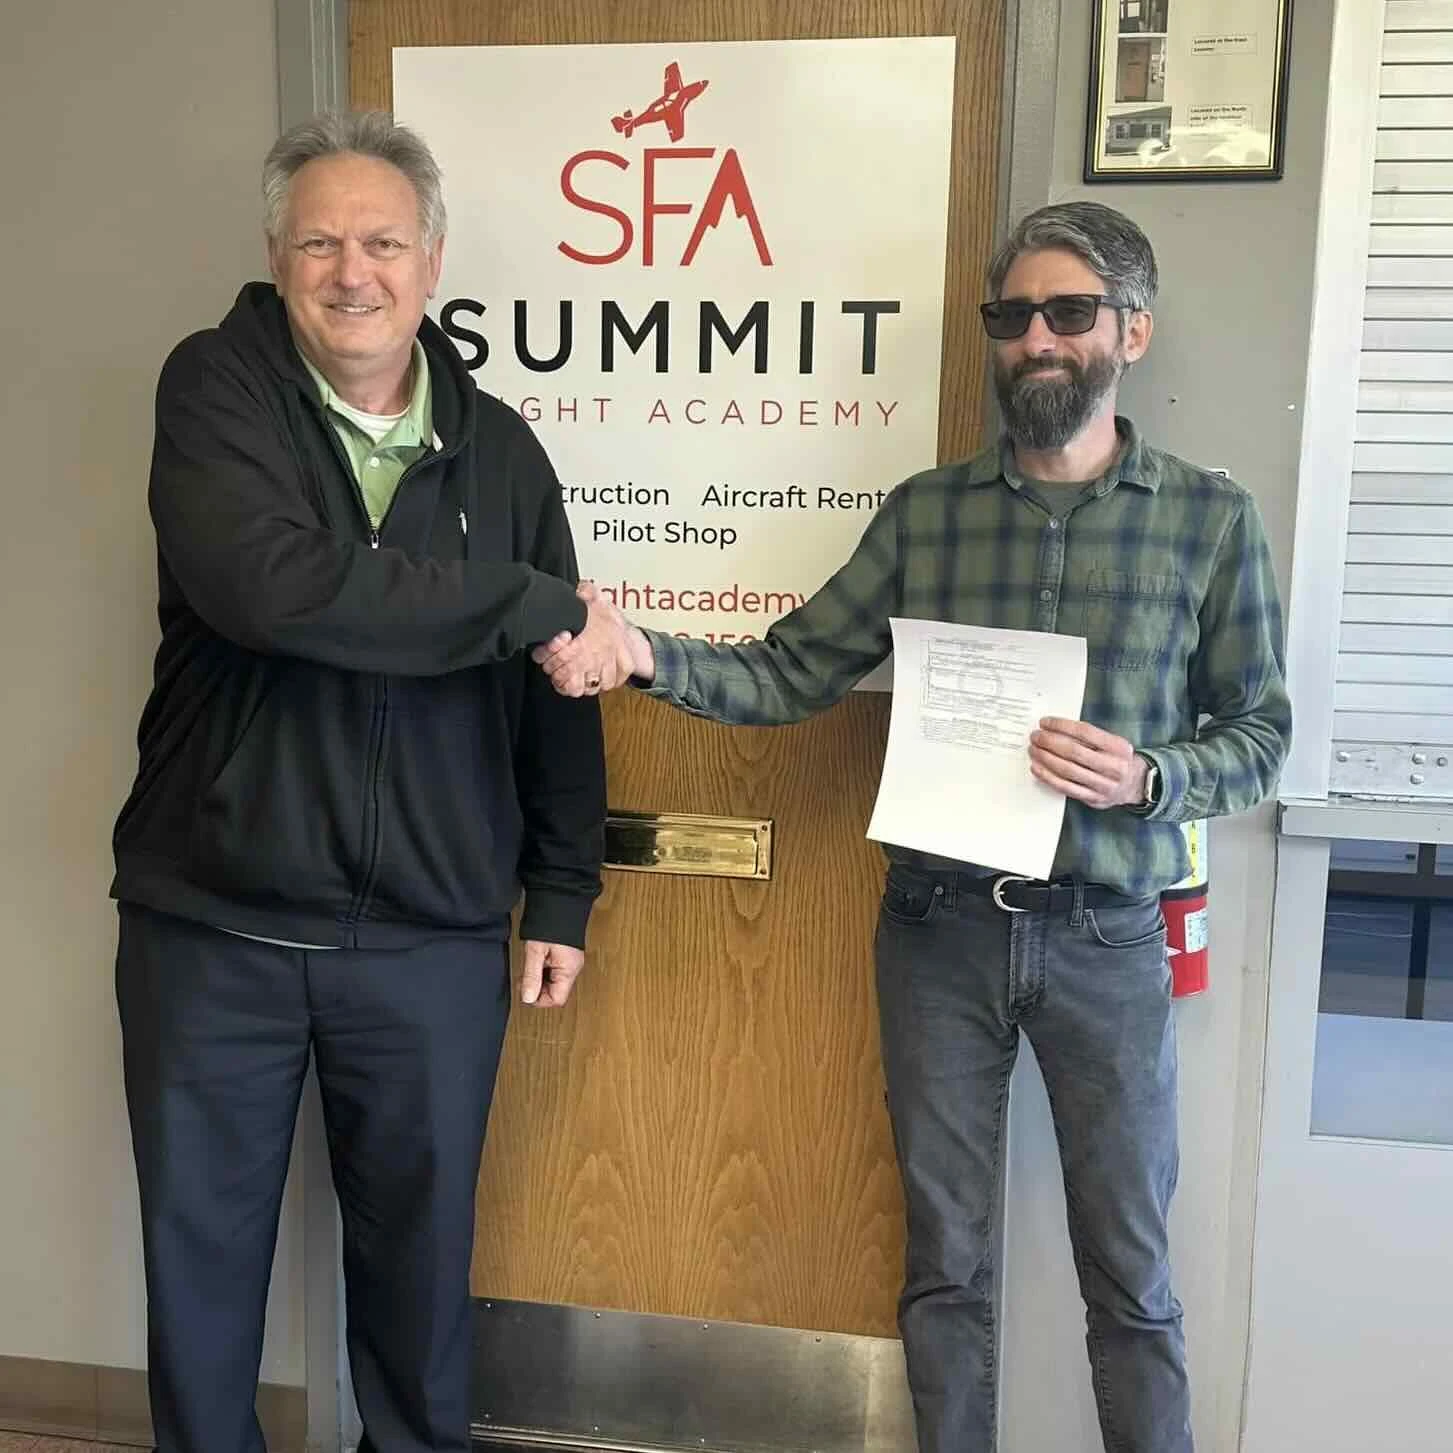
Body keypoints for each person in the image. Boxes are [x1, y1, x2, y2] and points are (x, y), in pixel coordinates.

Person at [538, 201, 1291, 1453]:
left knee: (1132, 1277)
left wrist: (1147, 774)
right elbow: (793, 670)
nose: (1036, 339)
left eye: (1068, 313)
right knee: (946, 1263)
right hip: (936, 931)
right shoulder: (927, 513)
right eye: (1012, 318)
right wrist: (641, 652)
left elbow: (1259, 734)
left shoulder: (1209, 522)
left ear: (1132, 332)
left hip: (1109, 938)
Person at [110, 110, 626, 1453]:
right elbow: (272, 588)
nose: (355, 272)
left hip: (429, 943)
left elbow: (553, 680)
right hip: (212, 929)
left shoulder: (500, 451)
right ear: (276, 256)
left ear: (433, 256)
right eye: (322, 241)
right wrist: (525, 601)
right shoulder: (216, 390)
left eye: (383, 241)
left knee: (418, 1293)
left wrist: (562, 886)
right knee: (202, 1281)